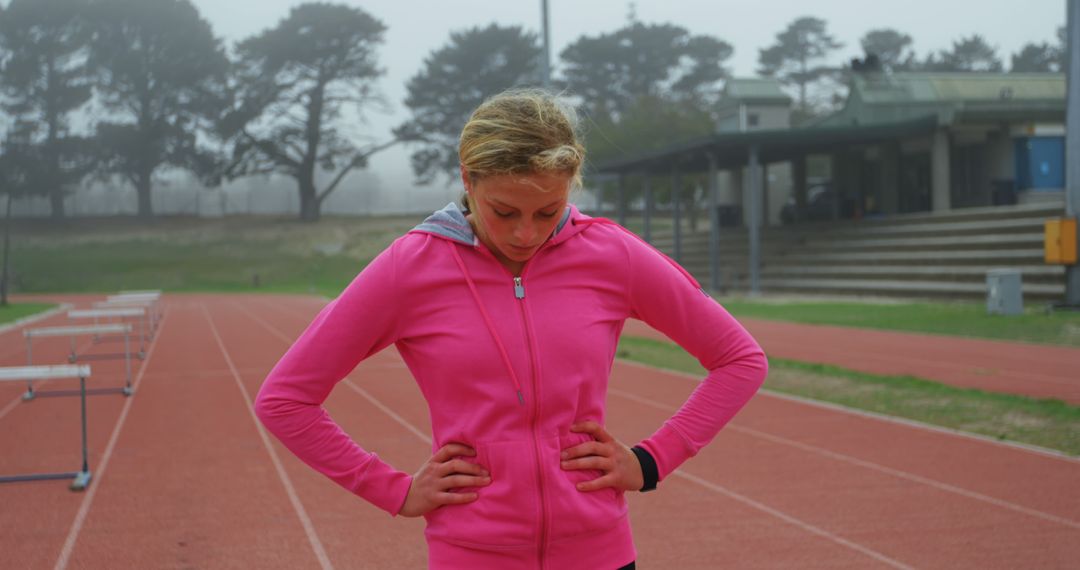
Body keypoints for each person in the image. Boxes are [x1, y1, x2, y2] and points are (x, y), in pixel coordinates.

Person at [255, 88, 768, 569]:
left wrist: (652, 460)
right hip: (470, 552)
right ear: (467, 178)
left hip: (599, 553)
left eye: (548, 211)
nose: (526, 233)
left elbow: (740, 359)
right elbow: (285, 399)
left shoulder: (613, 255)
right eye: (504, 212)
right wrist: (393, 489)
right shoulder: (410, 268)